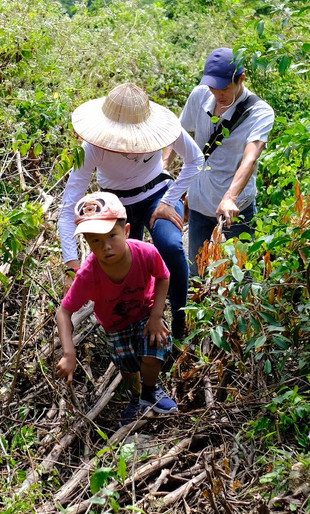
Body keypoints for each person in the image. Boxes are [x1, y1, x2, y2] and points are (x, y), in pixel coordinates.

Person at [59, 83, 204, 341]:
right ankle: (137, 324)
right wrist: (71, 263)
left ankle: (180, 319)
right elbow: (70, 203)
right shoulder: (92, 147)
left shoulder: (161, 131)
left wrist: (169, 201)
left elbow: (195, 159)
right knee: (126, 266)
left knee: (170, 246)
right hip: (117, 205)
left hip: (158, 195)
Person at [55, 191, 178, 425]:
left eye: (112, 235)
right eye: (96, 241)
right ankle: (136, 398)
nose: (106, 247)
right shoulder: (89, 274)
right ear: (88, 242)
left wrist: (156, 316)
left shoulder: (145, 253)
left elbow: (164, 277)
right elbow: (64, 311)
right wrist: (69, 354)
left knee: (153, 352)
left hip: (145, 312)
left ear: (127, 231)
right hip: (115, 325)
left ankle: (151, 391)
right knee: (128, 365)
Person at [178, 47, 275, 275]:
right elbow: (179, 133)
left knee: (241, 272)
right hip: (200, 200)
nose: (217, 93)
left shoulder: (259, 112)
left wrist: (230, 198)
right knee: (197, 269)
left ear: (241, 79)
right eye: (213, 87)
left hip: (236, 206)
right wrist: (165, 170)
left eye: (224, 88)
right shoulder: (201, 95)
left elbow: (250, 158)